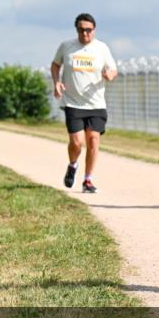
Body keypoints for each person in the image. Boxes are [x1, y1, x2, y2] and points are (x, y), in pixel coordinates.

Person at [51, 13, 118, 193]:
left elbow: (113, 69)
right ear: (77, 30)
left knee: (93, 140)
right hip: (73, 103)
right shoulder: (67, 47)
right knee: (77, 143)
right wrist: (56, 82)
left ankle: (87, 180)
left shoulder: (102, 48)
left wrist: (110, 74)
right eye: (81, 30)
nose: (85, 34)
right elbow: (55, 65)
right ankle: (73, 165)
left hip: (96, 104)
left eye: (88, 30)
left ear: (94, 30)